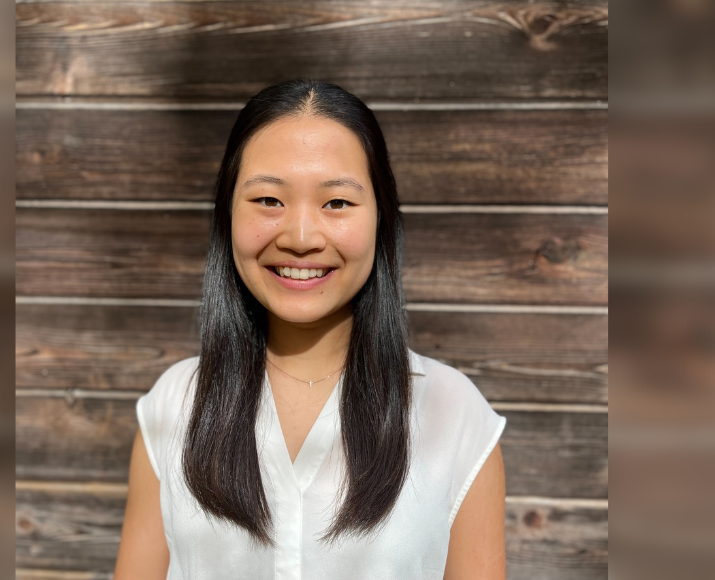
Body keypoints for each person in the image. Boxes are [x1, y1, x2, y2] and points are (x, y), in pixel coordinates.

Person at [114, 78, 507, 580]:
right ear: (227, 215)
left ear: (381, 218)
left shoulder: (453, 414)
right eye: (268, 201)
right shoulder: (175, 406)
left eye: (337, 203)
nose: (301, 237)